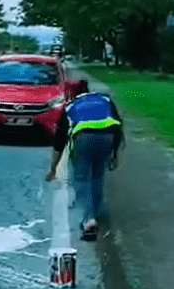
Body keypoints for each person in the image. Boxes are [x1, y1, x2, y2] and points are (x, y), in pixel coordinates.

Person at [45, 80, 124, 239]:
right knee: (97, 176)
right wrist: (114, 152)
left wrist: (53, 168)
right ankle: (95, 212)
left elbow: (59, 143)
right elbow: (118, 124)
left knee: (81, 179)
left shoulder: (70, 106)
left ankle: (89, 220)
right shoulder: (105, 99)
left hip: (84, 138)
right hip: (109, 136)